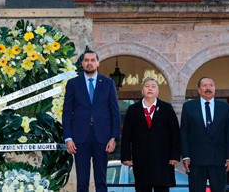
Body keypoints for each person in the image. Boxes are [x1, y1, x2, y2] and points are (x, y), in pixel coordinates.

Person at [63, 49, 121, 192]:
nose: (90, 63)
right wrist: (68, 138)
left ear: (98, 63)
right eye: (86, 60)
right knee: (82, 182)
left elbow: (115, 112)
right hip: (79, 139)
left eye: (92, 60)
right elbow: (66, 113)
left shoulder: (108, 83)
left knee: (101, 181)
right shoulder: (73, 84)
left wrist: (114, 137)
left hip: (102, 138)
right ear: (82, 63)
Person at [120, 77, 180, 192]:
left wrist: (175, 155)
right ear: (142, 90)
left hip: (163, 160)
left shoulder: (166, 108)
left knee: (162, 188)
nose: (150, 89)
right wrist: (126, 156)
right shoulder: (133, 109)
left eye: (153, 86)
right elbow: (126, 135)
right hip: (141, 160)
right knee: (142, 188)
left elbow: (175, 133)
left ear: (158, 91)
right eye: (147, 86)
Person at [180, 77, 229, 192]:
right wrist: (185, 155)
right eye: (204, 85)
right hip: (196, 160)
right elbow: (184, 132)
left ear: (215, 89)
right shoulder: (189, 107)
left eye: (211, 85)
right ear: (199, 90)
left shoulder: (225, 108)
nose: (208, 88)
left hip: (219, 160)